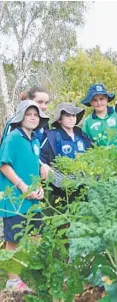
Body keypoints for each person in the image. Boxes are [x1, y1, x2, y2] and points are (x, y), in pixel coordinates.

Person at [0, 100, 49, 291]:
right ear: (20, 117)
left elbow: (33, 166)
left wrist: (39, 188)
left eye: (36, 115)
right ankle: (12, 281)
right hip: (15, 199)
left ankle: (27, 272)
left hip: (31, 198)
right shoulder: (13, 137)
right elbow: (4, 165)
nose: (33, 117)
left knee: (35, 235)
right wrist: (22, 187)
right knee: (13, 239)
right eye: (29, 114)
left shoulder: (35, 140)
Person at [81, 83, 117, 148]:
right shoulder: (87, 122)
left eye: (101, 99)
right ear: (90, 102)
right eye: (95, 100)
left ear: (107, 99)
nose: (99, 103)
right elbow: (87, 145)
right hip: (101, 157)